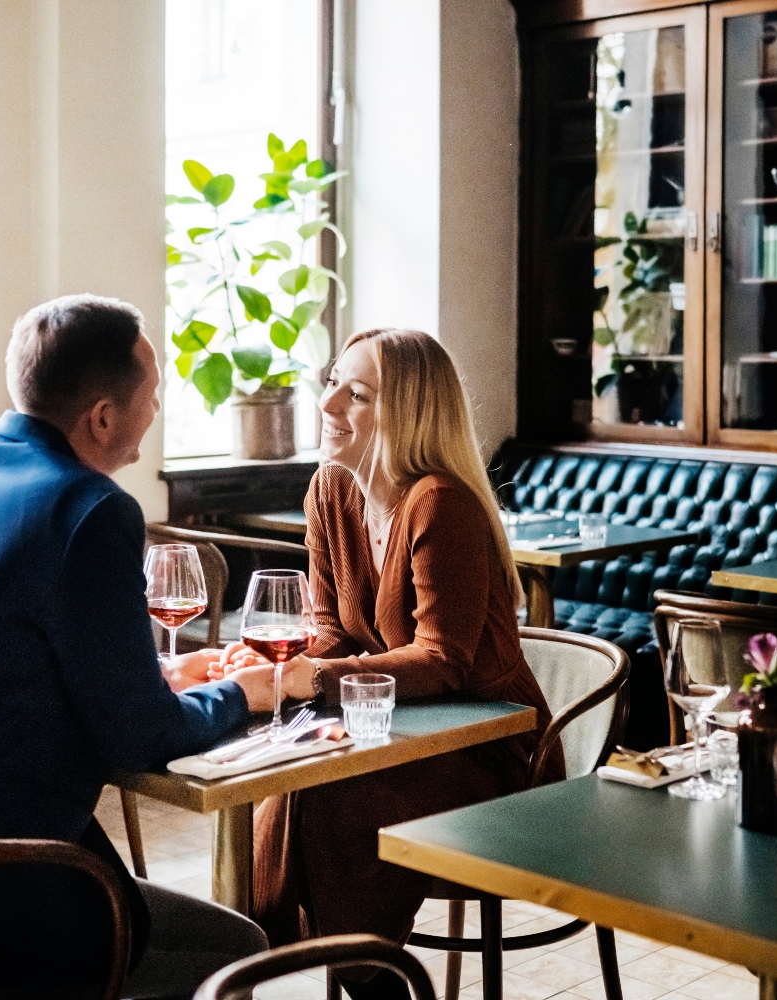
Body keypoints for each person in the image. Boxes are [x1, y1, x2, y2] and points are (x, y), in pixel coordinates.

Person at [0, 294, 281, 998]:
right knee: (237, 947)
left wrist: (162, 672)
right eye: (152, 396)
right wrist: (244, 692)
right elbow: (139, 736)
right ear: (102, 416)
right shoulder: (92, 510)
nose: (155, 412)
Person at [215, 328, 563, 1000]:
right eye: (332, 382)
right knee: (284, 782)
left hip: (490, 750)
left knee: (335, 800)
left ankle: (366, 981)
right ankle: (269, 961)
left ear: (408, 412)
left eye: (358, 393)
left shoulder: (440, 500)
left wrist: (306, 679)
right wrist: (269, 665)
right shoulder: (329, 492)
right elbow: (327, 632)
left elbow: (444, 660)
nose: (328, 403)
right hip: (392, 732)